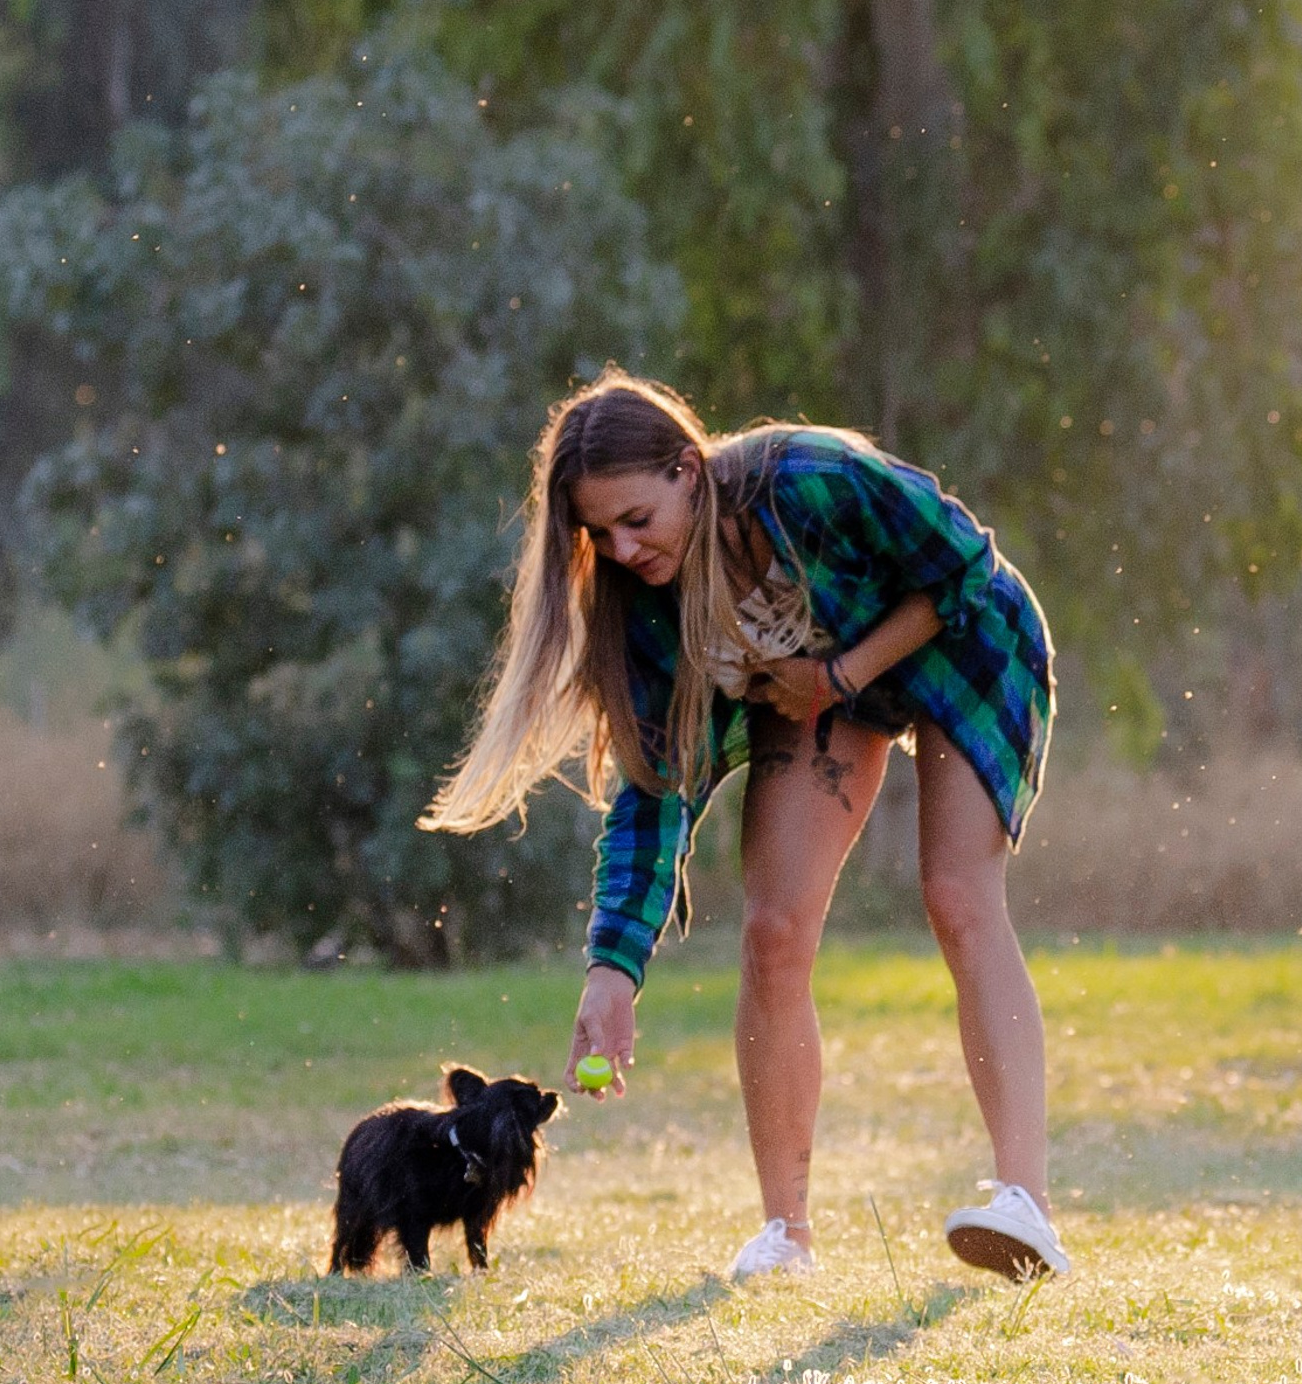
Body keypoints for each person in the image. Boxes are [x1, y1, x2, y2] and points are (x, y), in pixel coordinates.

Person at [421, 372, 1069, 1284]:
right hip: (823, 688)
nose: (621, 547)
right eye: (597, 535)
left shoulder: (808, 477)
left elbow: (965, 565)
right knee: (771, 934)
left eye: (637, 518)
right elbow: (651, 793)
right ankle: (786, 1234)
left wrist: (842, 677)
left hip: (957, 641)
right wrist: (611, 973)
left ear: (690, 469)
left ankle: (1025, 1207)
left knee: (956, 893)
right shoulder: (642, 607)